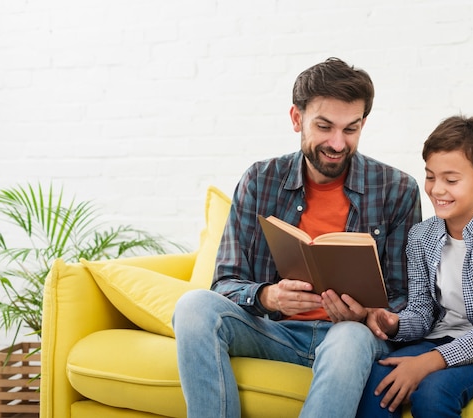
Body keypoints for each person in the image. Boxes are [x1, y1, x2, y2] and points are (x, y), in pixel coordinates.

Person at [173, 57, 422, 418]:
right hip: (275, 331)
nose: (337, 143)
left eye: (351, 129)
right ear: (296, 119)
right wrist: (269, 296)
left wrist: (369, 313)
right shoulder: (261, 180)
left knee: (350, 337)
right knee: (193, 306)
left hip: (348, 338)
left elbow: (409, 298)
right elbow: (224, 282)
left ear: (363, 124)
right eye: (324, 127)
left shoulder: (397, 189)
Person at [356, 115, 473, 418]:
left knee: (433, 392)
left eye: (451, 180)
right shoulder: (421, 237)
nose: (436, 189)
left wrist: (428, 362)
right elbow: (422, 312)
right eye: (430, 176)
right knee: (379, 379)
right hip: (442, 335)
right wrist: (394, 324)